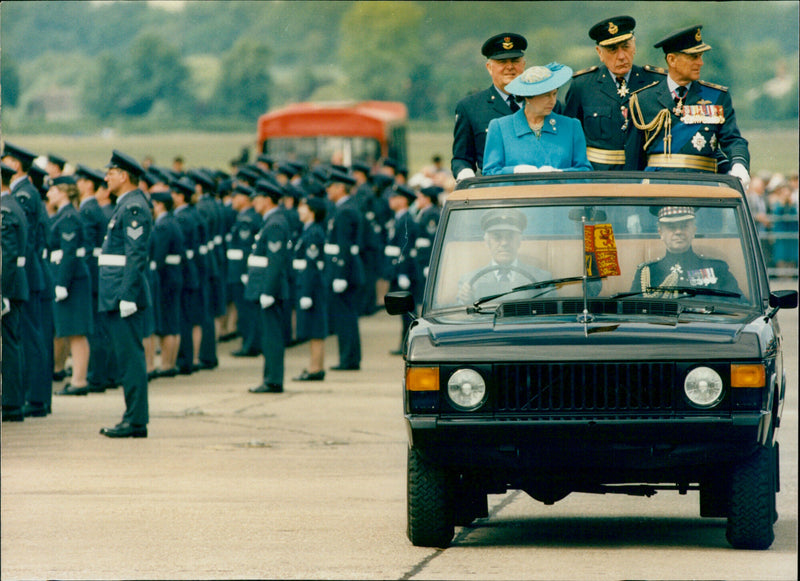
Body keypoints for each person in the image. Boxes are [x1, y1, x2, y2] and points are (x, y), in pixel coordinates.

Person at [628, 25, 750, 189]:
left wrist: (739, 165)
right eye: (693, 57)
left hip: (704, 192)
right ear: (672, 59)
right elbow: (634, 160)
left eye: (700, 56)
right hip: (657, 193)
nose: (700, 63)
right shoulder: (643, 99)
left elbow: (733, 140)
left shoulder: (717, 97)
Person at [97, 150, 153, 438]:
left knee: (130, 358)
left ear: (124, 176)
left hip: (122, 295)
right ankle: (132, 417)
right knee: (126, 358)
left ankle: (135, 420)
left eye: (111, 172)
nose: (106, 177)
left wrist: (128, 295)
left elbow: (135, 254)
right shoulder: (125, 205)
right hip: (116, 293)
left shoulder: (133, 208)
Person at [563, 16, 664, 170]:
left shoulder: (656, 82)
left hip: (644, 173)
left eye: (626, 47)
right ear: (599, 52)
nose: (622, 56)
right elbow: (569, 138)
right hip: (598, 177)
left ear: (634, 45)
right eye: (612, 49)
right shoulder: (582, 86)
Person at [2, 142, 53, 417]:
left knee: (30, 337)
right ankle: (34, 397)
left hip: (26, 272)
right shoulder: (27, 191)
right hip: (30, 271)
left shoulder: (22, 194)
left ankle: (34, 397)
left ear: (16, 164)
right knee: (30, 336)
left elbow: (26, 241)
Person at [483, 63, 593, 175]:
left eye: (554, 94)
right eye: (546, 96)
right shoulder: (501, 127)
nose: (553, 101)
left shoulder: (572, 126)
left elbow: (584, 170)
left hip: (560, 191)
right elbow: (490, 172)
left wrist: (560, 173)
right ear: (528, 96)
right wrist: (515, 171)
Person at [452, 32, 529, 180]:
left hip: (539, 188)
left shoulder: (542, 102)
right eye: (502, 62)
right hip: (493, 189)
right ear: (489, 67)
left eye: (515, 60)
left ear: (523, 64)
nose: (510, 67)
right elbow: (461, 158)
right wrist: (465, 174)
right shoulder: (470, 107)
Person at [46, 176, 94, 397]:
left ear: (63, 192)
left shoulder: (68, 218)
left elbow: (68, 253)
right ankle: (78, 378)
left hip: (72, 280)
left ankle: (79, 380)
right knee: (74, 332)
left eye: (53, 189)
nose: (49, 193)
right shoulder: (66, 215)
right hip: (71, 278)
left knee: (76, 332)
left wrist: (62, 283)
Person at [630, 206, 743, 297]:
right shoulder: (648, 273)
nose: (678, 231)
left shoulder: (717, 269)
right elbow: (633, 311)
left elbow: (739, 305)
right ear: (661, 233)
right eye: (671, 227)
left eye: (684, 226)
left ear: (693, 231)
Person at [245, 179, 291, 393]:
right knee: (268, 335)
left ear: (267, 199)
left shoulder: (275, 223)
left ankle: (273, 379)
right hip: (264, 286)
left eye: (257, 199)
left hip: (270, 289)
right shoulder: (270, 221)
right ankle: (269, 377)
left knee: (271, 336)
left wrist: (268, 291)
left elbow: (275, 260)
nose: (254, 202)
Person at [75, 164, 117, 393]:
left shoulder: (89, 210)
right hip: (97, 273)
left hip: (92, 275)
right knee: (100, 327)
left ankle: (97, 376)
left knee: (96, 328)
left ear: (88, 184)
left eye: (80, 180)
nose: (76, 185)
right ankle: (105, 374)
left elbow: (88, 249)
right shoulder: (92, 208)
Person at [457, 208, 552, 304]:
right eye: (497, 237)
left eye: (510, 236)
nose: (504, 243)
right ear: (487, 242)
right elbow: (461, 316)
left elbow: (550, 314)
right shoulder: (469, 283)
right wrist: (468, 302)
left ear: (519, 241)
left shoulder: (542, 280)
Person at [324, 168, 365, 371]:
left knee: (346, 318)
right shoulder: (343, 208)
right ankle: (349, 358)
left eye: (331, 187)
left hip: (345, 273)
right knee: (346, 318)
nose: (328, 190)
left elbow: (345, 246)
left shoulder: (345, 210)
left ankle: (348, 359)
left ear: (341, 187)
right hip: (346, 272)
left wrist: (340, 275)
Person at [1, 162, 30, 422]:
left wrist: (2, 293)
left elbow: (7, 256)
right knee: (13, 343)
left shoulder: (5, 209)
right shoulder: (11, 205)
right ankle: (12, 401)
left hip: (8, 286)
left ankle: (11, 403)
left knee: (9, 345)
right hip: (14, 284)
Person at [292, 195, 329, 381]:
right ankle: (315, 367)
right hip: (309, 286)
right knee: (315, 329)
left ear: (312, 212)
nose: (299, 210)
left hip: (312, 287)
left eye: (303, 207)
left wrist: (306, 293)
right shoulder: (308, 230)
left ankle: (315, 368)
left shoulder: (313, 232)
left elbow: (311, 265)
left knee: (316, 330)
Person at [149, 191, 185, 378]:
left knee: (167, 324)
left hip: (166, 276)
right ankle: (169, 362)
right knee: (173, 322)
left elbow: (159, 256)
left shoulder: (163, 225)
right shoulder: (172, 221)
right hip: (175, 274)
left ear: (160, 205)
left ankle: (166, 364)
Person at [227, 184, 264, 357]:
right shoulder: (243, 217)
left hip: (242, 272)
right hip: (238, 271)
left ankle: (250, 345)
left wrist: (244, 273)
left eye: (236, 197)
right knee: (245, 311)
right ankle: (249, 343)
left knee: (247, 311)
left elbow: (245, 249)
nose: (232, 200)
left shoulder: (247, 220)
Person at [384, 184, 419, 354]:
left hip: (405, 272)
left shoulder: (406, 219)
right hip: (398, 271)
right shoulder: (398, 218)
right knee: (403, 312)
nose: (390, 200)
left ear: (403, 200)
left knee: (408, 312)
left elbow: (406, 249)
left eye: (394, 197)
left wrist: (403, 272)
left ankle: (408, 345)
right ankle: (404, 344)